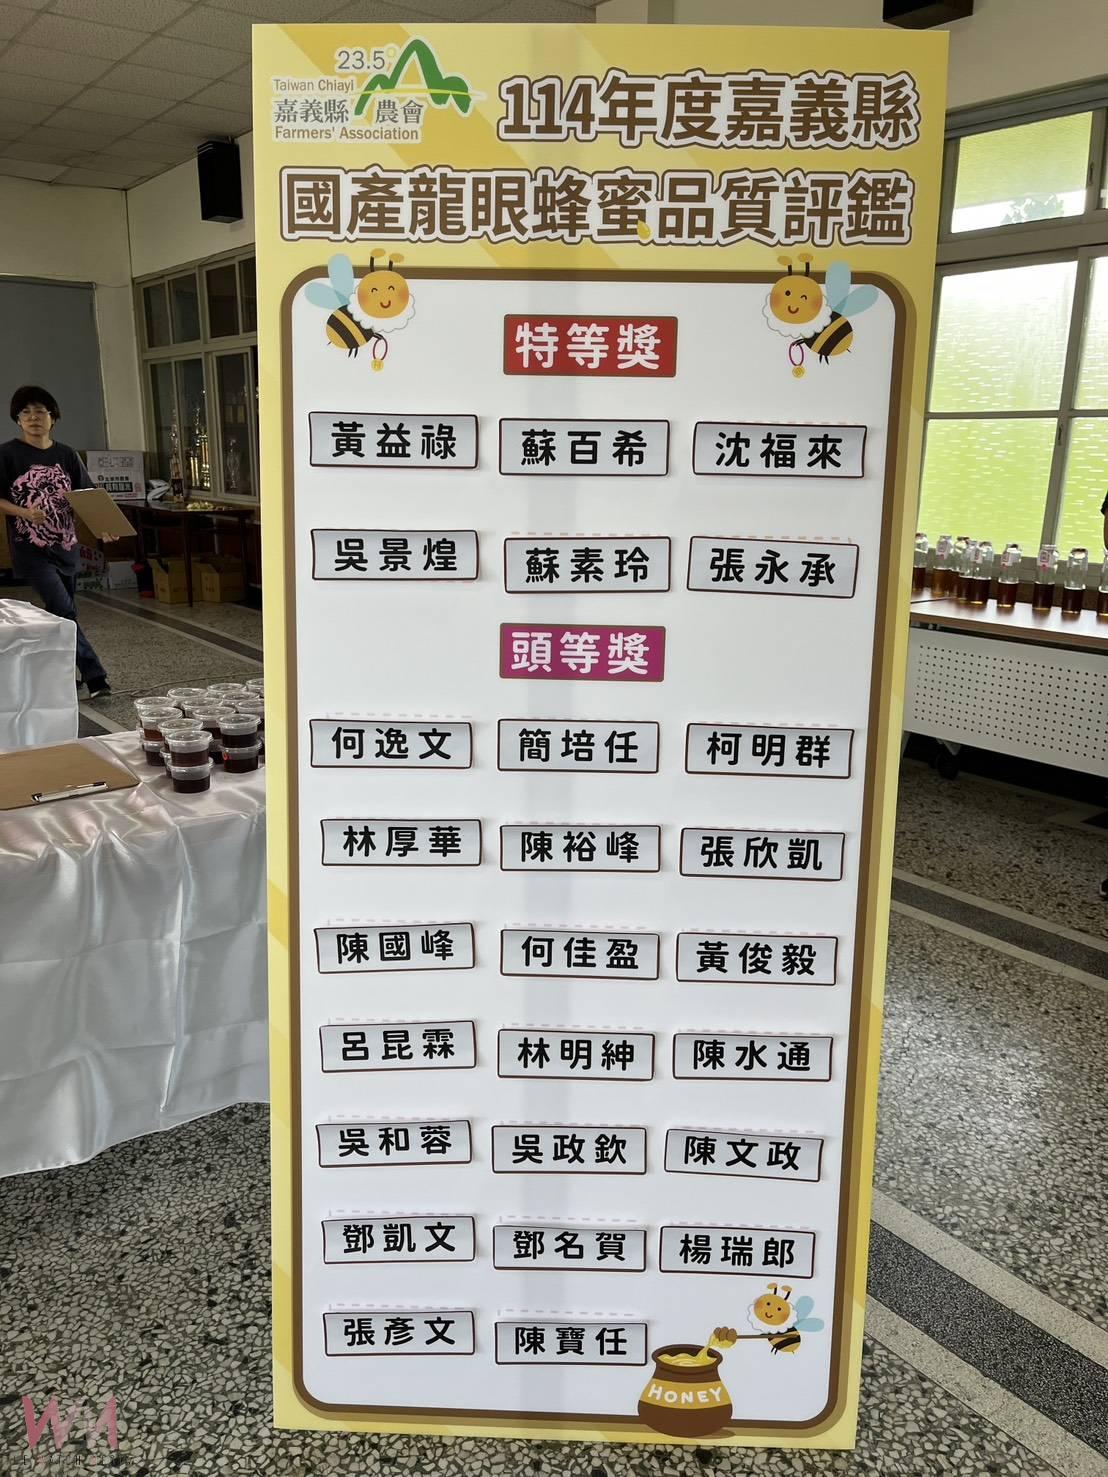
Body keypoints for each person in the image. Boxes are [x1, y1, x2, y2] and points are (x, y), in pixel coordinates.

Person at [0, 385, 111, 698]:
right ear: (17, 419)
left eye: (40, 411)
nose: (33, 417)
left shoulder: (66, 454)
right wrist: (24, 511)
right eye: (25, 412)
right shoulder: (6, 454)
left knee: (61, 614)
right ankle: (96, 676)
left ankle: (62, 675)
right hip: (30, 550)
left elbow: (87, 495)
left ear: (53, 418)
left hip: (66, 547)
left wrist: (104, 526)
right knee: (64, 609)